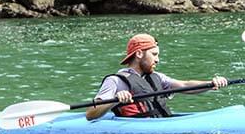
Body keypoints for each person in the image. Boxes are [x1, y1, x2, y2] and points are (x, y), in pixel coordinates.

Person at [86, 34, 228, 120]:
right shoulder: (115, 81)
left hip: (162, 122)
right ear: (139, 54)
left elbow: (185, 86)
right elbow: (91, 114)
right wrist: (114, 100)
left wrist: (210, 83)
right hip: (135, 133)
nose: (158, 60)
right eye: (154, 54)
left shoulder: (157, 77)